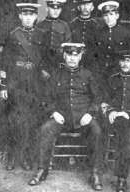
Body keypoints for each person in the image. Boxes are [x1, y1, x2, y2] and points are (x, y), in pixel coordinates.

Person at [28, 43, 104, 191]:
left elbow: (98, 98)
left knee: (97, 131)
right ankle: (42, 170)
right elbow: (45, 98)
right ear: (64, 55)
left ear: (81, 56)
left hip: (83, 118)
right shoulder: (55, 74)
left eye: (75, 55)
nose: (72, 59)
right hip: (61, 117)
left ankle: (95, 173)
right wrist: (53, 112)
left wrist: (90, 114)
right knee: (45, 129)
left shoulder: (88, 75)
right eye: (69, 55)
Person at [0, 3, 48, 171]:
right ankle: (12, 155)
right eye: (24, 15)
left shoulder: (42, 35)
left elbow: (45, 59)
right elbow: (4, 62)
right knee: (15, 120)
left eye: (31, 15)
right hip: (16, 82)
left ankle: (27, 156)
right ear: (20, 16)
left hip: (34, 83)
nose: (28, 18)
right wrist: (4, 86)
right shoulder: (13, 35)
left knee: (32, 120)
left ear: (35, 17)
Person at [105, 50, 130, 192]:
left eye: (128, 61)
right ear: (118, 62)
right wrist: (111, 111)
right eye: (122, 61)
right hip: (113, 119)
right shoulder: (112, 79)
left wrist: (129, 113)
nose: (124, 64)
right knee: (124, 129)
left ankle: (122, 178)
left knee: (124, 129)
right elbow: (104, 100)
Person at [94, 1, 130, 79]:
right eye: (105, 15)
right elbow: (95, 54)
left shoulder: (126, 33)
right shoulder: (98, 33)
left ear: (117, 16)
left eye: (111, 14)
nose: (108, 18)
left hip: (117, 72)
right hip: (100, 71)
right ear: (103, 17)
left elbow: (129, 54)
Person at [36, 0, 71, 73]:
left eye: (58, 9)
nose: (56, 11)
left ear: (61, 10)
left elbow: (68, 46)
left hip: (60, 64)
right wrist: (41, 68)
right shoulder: (39, 25)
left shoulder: (65, 26)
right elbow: (35, 49)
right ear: (47, 9)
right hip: (43, 64)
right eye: (52, 8)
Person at [70, 0, 101, 65]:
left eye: (88, 5)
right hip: (75, 59)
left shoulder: (97, 24)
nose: (85, 7)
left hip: (92, 60)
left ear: (92, 8)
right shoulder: (73, 24)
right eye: (83, 5)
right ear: (79, 7)